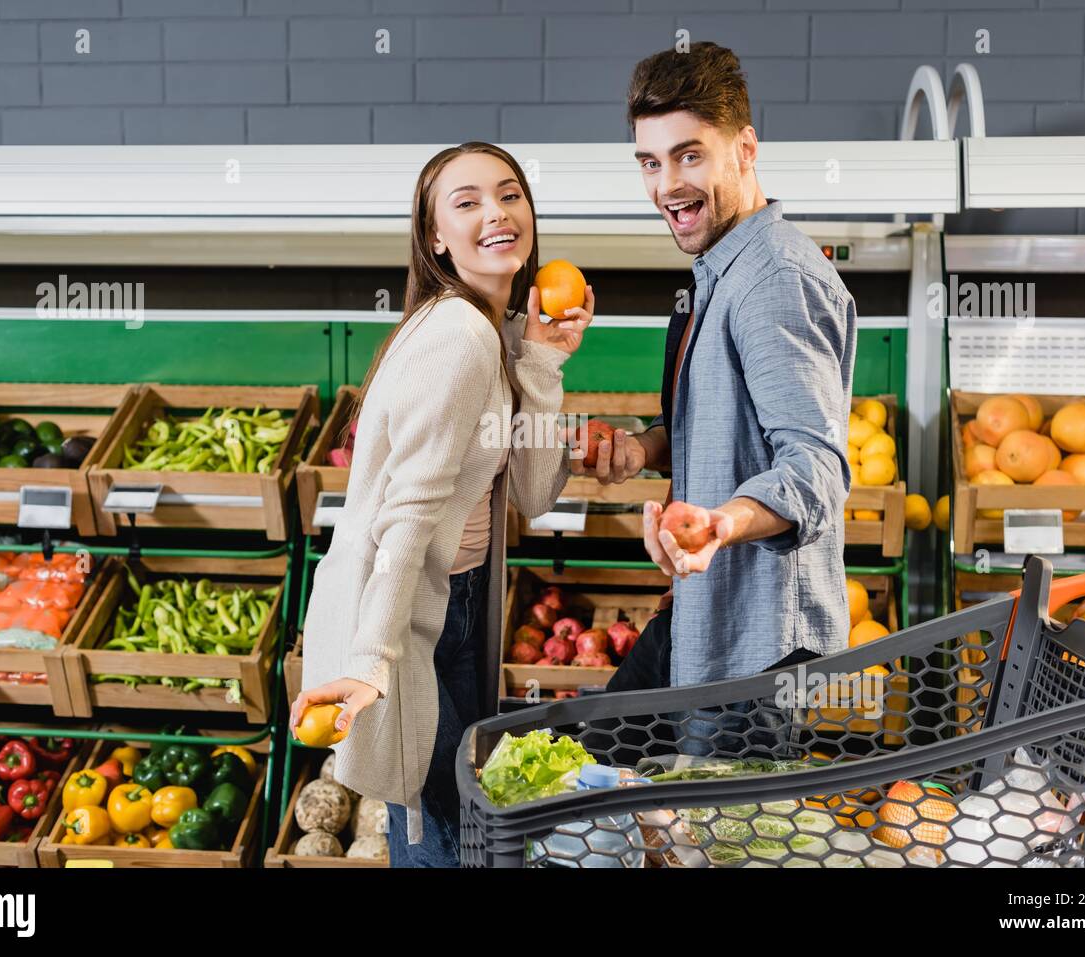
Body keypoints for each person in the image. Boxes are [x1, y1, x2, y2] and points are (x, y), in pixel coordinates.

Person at [290, 142, 593, 866]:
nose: (496, 212)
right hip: (398, 609)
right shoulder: (457, 335)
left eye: (509, 194)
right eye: (467, 203)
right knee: (449, 831)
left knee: (447, 818)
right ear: (436, 238)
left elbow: (531, 492)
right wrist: (373, 659)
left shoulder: (493, 333)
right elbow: (409, 511)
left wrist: (545, 363)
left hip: (455, 602)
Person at [579, 42, 856, 694]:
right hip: (708, 623)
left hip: (759, 657)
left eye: (689, 155)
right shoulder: (725, 268)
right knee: (586, 774)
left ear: (746, 149)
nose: (666, 185)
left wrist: (721, 523)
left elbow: (814, 473)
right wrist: (647, 447)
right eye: (650, 161)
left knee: (596, 782)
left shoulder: (773, 281)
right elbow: (738, 428)